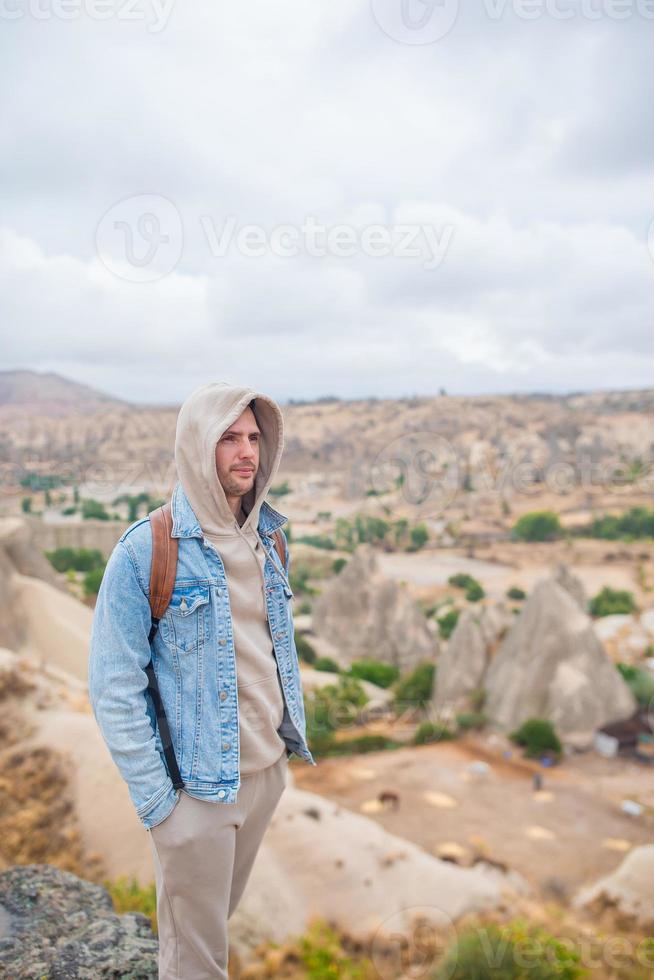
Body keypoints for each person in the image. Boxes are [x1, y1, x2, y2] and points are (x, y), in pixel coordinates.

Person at [88, 381, 316, 979]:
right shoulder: (147, 550)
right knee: (197, 962)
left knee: (210, 935)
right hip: (198, 795)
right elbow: (113, 685)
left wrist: (279, 763)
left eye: (254, 438)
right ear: (196, 445)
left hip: (265, 776)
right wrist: (163, 808)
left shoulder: (270, 538)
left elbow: (268, 654)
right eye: (229, 439)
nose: (247, 452)